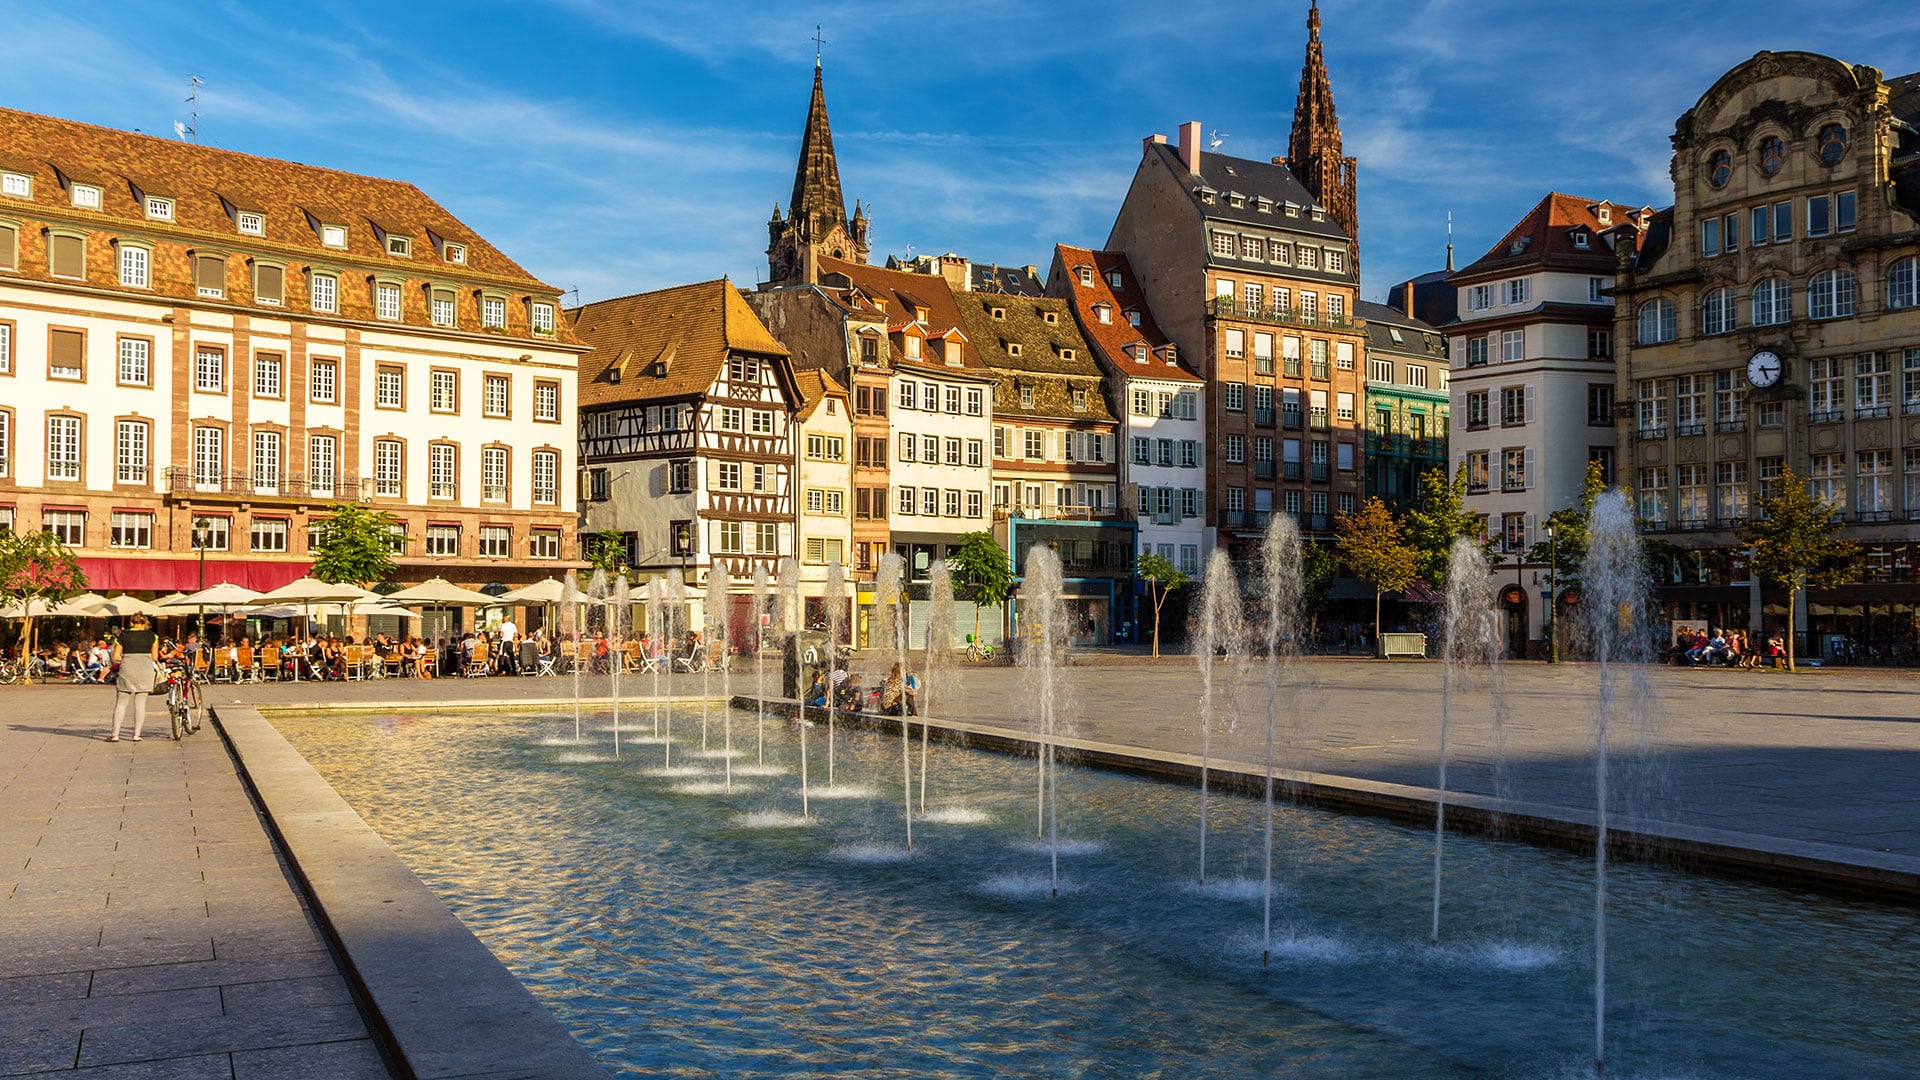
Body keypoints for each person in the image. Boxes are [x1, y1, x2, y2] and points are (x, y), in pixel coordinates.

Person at [106, 615, 160, 742]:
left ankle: (115, 734)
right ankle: (136, 735)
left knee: (121, 703)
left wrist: (128, 659)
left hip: (127, 669)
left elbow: (116, 656)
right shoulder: (153, 636)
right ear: (145, 623)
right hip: (145, 670)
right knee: (140, 703)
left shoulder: (123, 635)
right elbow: (155, 657)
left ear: (131, 623)